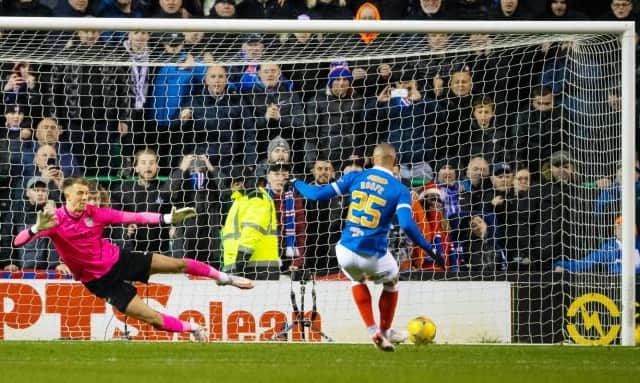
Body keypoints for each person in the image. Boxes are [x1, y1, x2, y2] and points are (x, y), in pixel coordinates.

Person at [13, 177, 253, 341]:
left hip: (120, 260)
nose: (86, 197)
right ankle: (193, 328)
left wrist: (166, 220)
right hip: (100, 282)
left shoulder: (95, 213)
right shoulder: (53, 220)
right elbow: (18, 241)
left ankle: (223, 277)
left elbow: (135, 216)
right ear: (66, 195)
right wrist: (35, 229)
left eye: (88, 193)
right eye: (80, 193)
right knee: (152, 318)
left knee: (177, 263)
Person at [292, 144, 444, 351]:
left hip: (345, 251)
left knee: (356, 278)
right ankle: (385, 330)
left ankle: (372, 330)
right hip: (372, 254)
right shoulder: (400, 189)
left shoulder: (356, 176)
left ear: (373, 160)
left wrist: (296, 182)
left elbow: (317, 195)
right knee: (392, 281)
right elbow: (407, 225)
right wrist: (430, 249)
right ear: (395, 161)